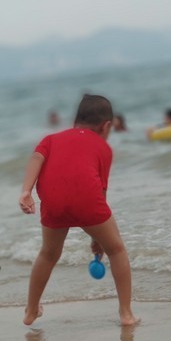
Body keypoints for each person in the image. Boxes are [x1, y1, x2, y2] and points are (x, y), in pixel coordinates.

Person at [19, 94, 139, 327]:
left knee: (48, 253)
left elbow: (36, 158)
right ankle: (126, 313)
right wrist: (97, 237)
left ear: (76, 120)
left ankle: (31, 310)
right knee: (116, 249)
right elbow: (99, 193)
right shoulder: (104, 148)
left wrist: (26, 190)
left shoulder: (51, 139)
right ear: (106, 126)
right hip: (88, 202)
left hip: (52, 201)